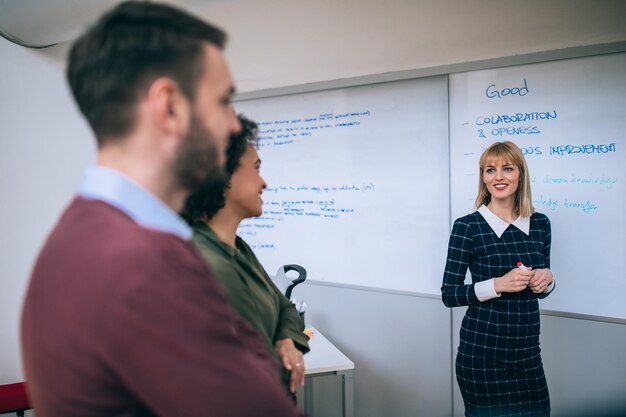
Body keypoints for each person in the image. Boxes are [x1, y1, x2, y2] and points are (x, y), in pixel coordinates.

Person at [20, 2, 301, 416]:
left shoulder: (78, 234)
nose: (234, 127)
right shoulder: (147, 267)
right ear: (169, 107)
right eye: (223, 101)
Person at [182, 114, 310, 397]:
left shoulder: (239, 248)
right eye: (256, 168)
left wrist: (286, 338)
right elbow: (266, 378)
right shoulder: (210, 266)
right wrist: (282, 345)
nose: (264, 182)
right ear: (223, 175)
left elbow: (285, 307)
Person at [442, 141, 555, 417]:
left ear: (520, 174)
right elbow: (449, 294)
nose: (498, 177)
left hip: (528, 355)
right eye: (490, 170)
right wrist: (497, 285)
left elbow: (542, 288)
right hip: (482, 356)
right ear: (483, 177)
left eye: (507, 168)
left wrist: (548, 279)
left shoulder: (540, 223)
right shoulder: (467, 227)